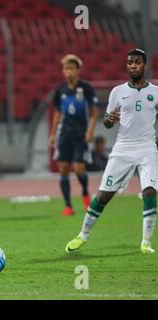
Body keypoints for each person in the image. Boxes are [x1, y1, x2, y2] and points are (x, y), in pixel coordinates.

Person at [66, 48, 158, 254]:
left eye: (136, 62)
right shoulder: (118, 92)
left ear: (144, 65)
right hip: (123, 148)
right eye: (129, 63)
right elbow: (107, 121)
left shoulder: (155, 92)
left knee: (150, 191)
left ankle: (146, 242)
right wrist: (109, 119)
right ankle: (83, 235)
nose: (132, 65)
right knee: (103, 195)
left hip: (146, 148)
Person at [49, 54, 100, 216]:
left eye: (72, 68)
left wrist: (90, 131)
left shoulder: (86, 88)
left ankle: (85, 192)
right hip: (64, 134)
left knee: (79, 168)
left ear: (78, 70)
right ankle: (68, 205)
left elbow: (94, 112)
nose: (68, 71)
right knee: (63, 168)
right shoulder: (60, 90)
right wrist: (52, 133)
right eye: (66, 68)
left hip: (80, 134)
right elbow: (57, 112)